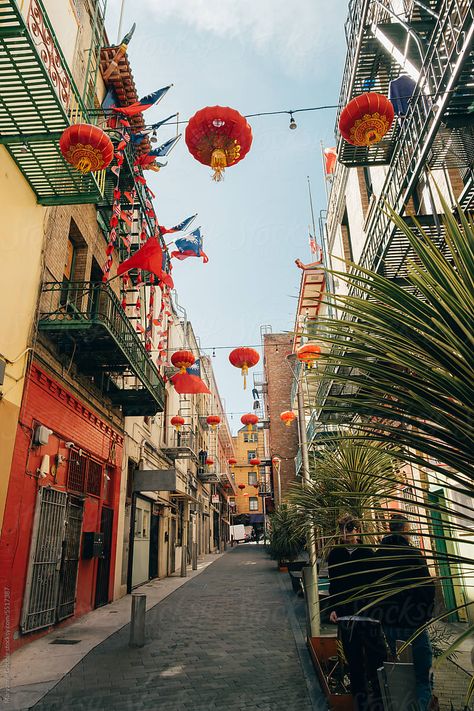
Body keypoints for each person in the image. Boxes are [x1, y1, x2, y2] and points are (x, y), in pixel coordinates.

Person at [373, 513, 436, 711]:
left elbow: (373, 589)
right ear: (405, 530)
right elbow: (427, 588)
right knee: (421, 678)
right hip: (413, 624)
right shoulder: (413, 554)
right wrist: (424, 615)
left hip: (390, 624)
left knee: (401, 674)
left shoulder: (378, 556)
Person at [328, 515, 387, 711]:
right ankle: (360, 704)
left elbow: (376, 584)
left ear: (358, 531)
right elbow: (334, 584)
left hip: (368, 616)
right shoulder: (335, 555)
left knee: (375, 661)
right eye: (343, 530)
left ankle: (379, 702)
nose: (346, 534)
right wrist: (333, 608)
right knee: (354, 664)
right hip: (346, 616)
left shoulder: (368, 553)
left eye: (349, 529)